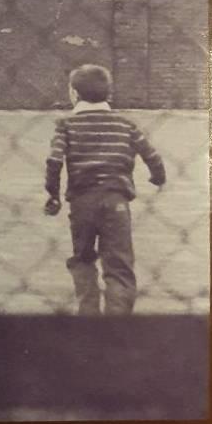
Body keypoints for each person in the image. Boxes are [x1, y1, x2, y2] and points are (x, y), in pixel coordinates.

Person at [42, 64, 166, 315]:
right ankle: (118, 321)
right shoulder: (126, 124)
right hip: (116, 201)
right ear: (108, 93)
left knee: (83, 258)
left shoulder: (66, 124)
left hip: (82, 203)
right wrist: (157, 177)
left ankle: (88, 314)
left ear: (74, 94)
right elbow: (151, 155)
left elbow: (54, 160)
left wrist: (53, 195)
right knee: (119, 263)